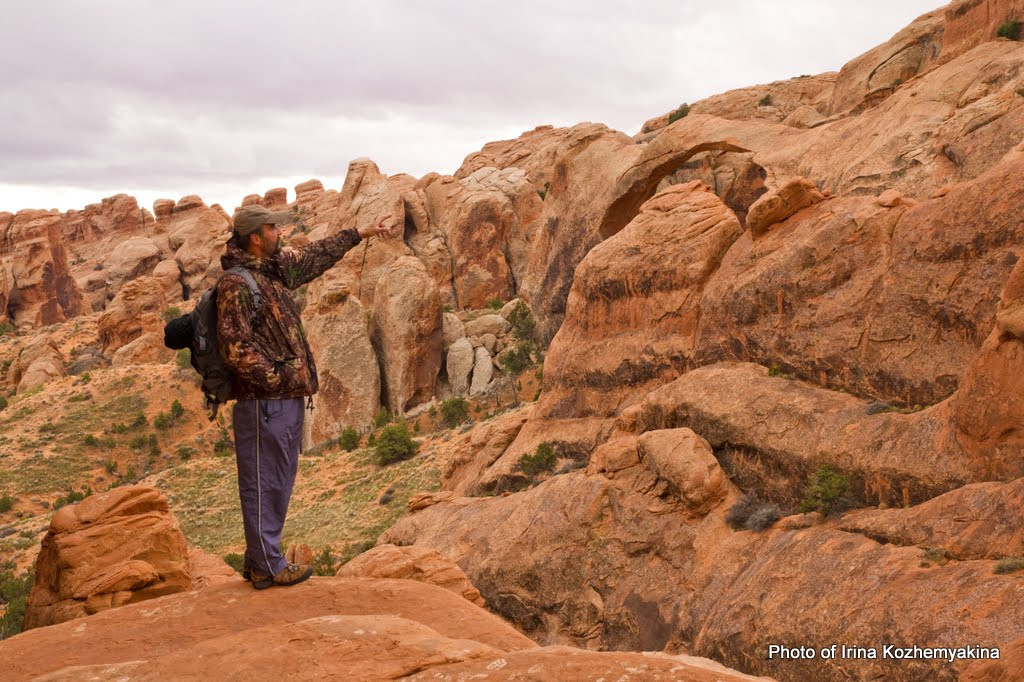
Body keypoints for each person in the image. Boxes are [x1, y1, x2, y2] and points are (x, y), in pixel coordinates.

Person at [217, 204, 393, 589]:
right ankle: (268, 565)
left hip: (283, 399)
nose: (279, 233)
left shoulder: (273, 269)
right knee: (264, 482)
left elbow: (314, 256)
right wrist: (278, 378)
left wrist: (359, 233)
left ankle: (260, 559)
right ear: (255, 238)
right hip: (263, 402)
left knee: (277, 481)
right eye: (272, 229)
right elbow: (235, 349)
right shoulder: (236, 284)